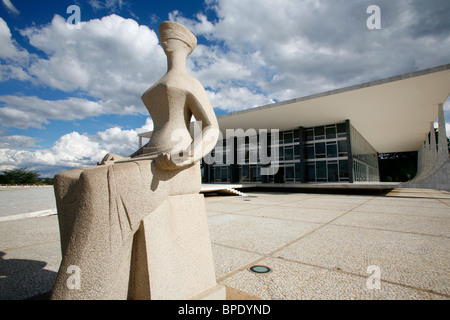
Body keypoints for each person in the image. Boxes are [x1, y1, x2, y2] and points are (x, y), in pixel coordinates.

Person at [51, 21, 219, 299]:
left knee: (97, 184)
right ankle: (90, 275)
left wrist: (186, 157)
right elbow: (155, 135)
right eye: (163, 37)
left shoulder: (190, 83)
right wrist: (125, 158)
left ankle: (87, 289)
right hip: (149, 156)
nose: (165, 41)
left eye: (172, 38)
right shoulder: (158, 84)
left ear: (185, 46)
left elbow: (211, 128)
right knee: (65, 180)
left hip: (174, 164)